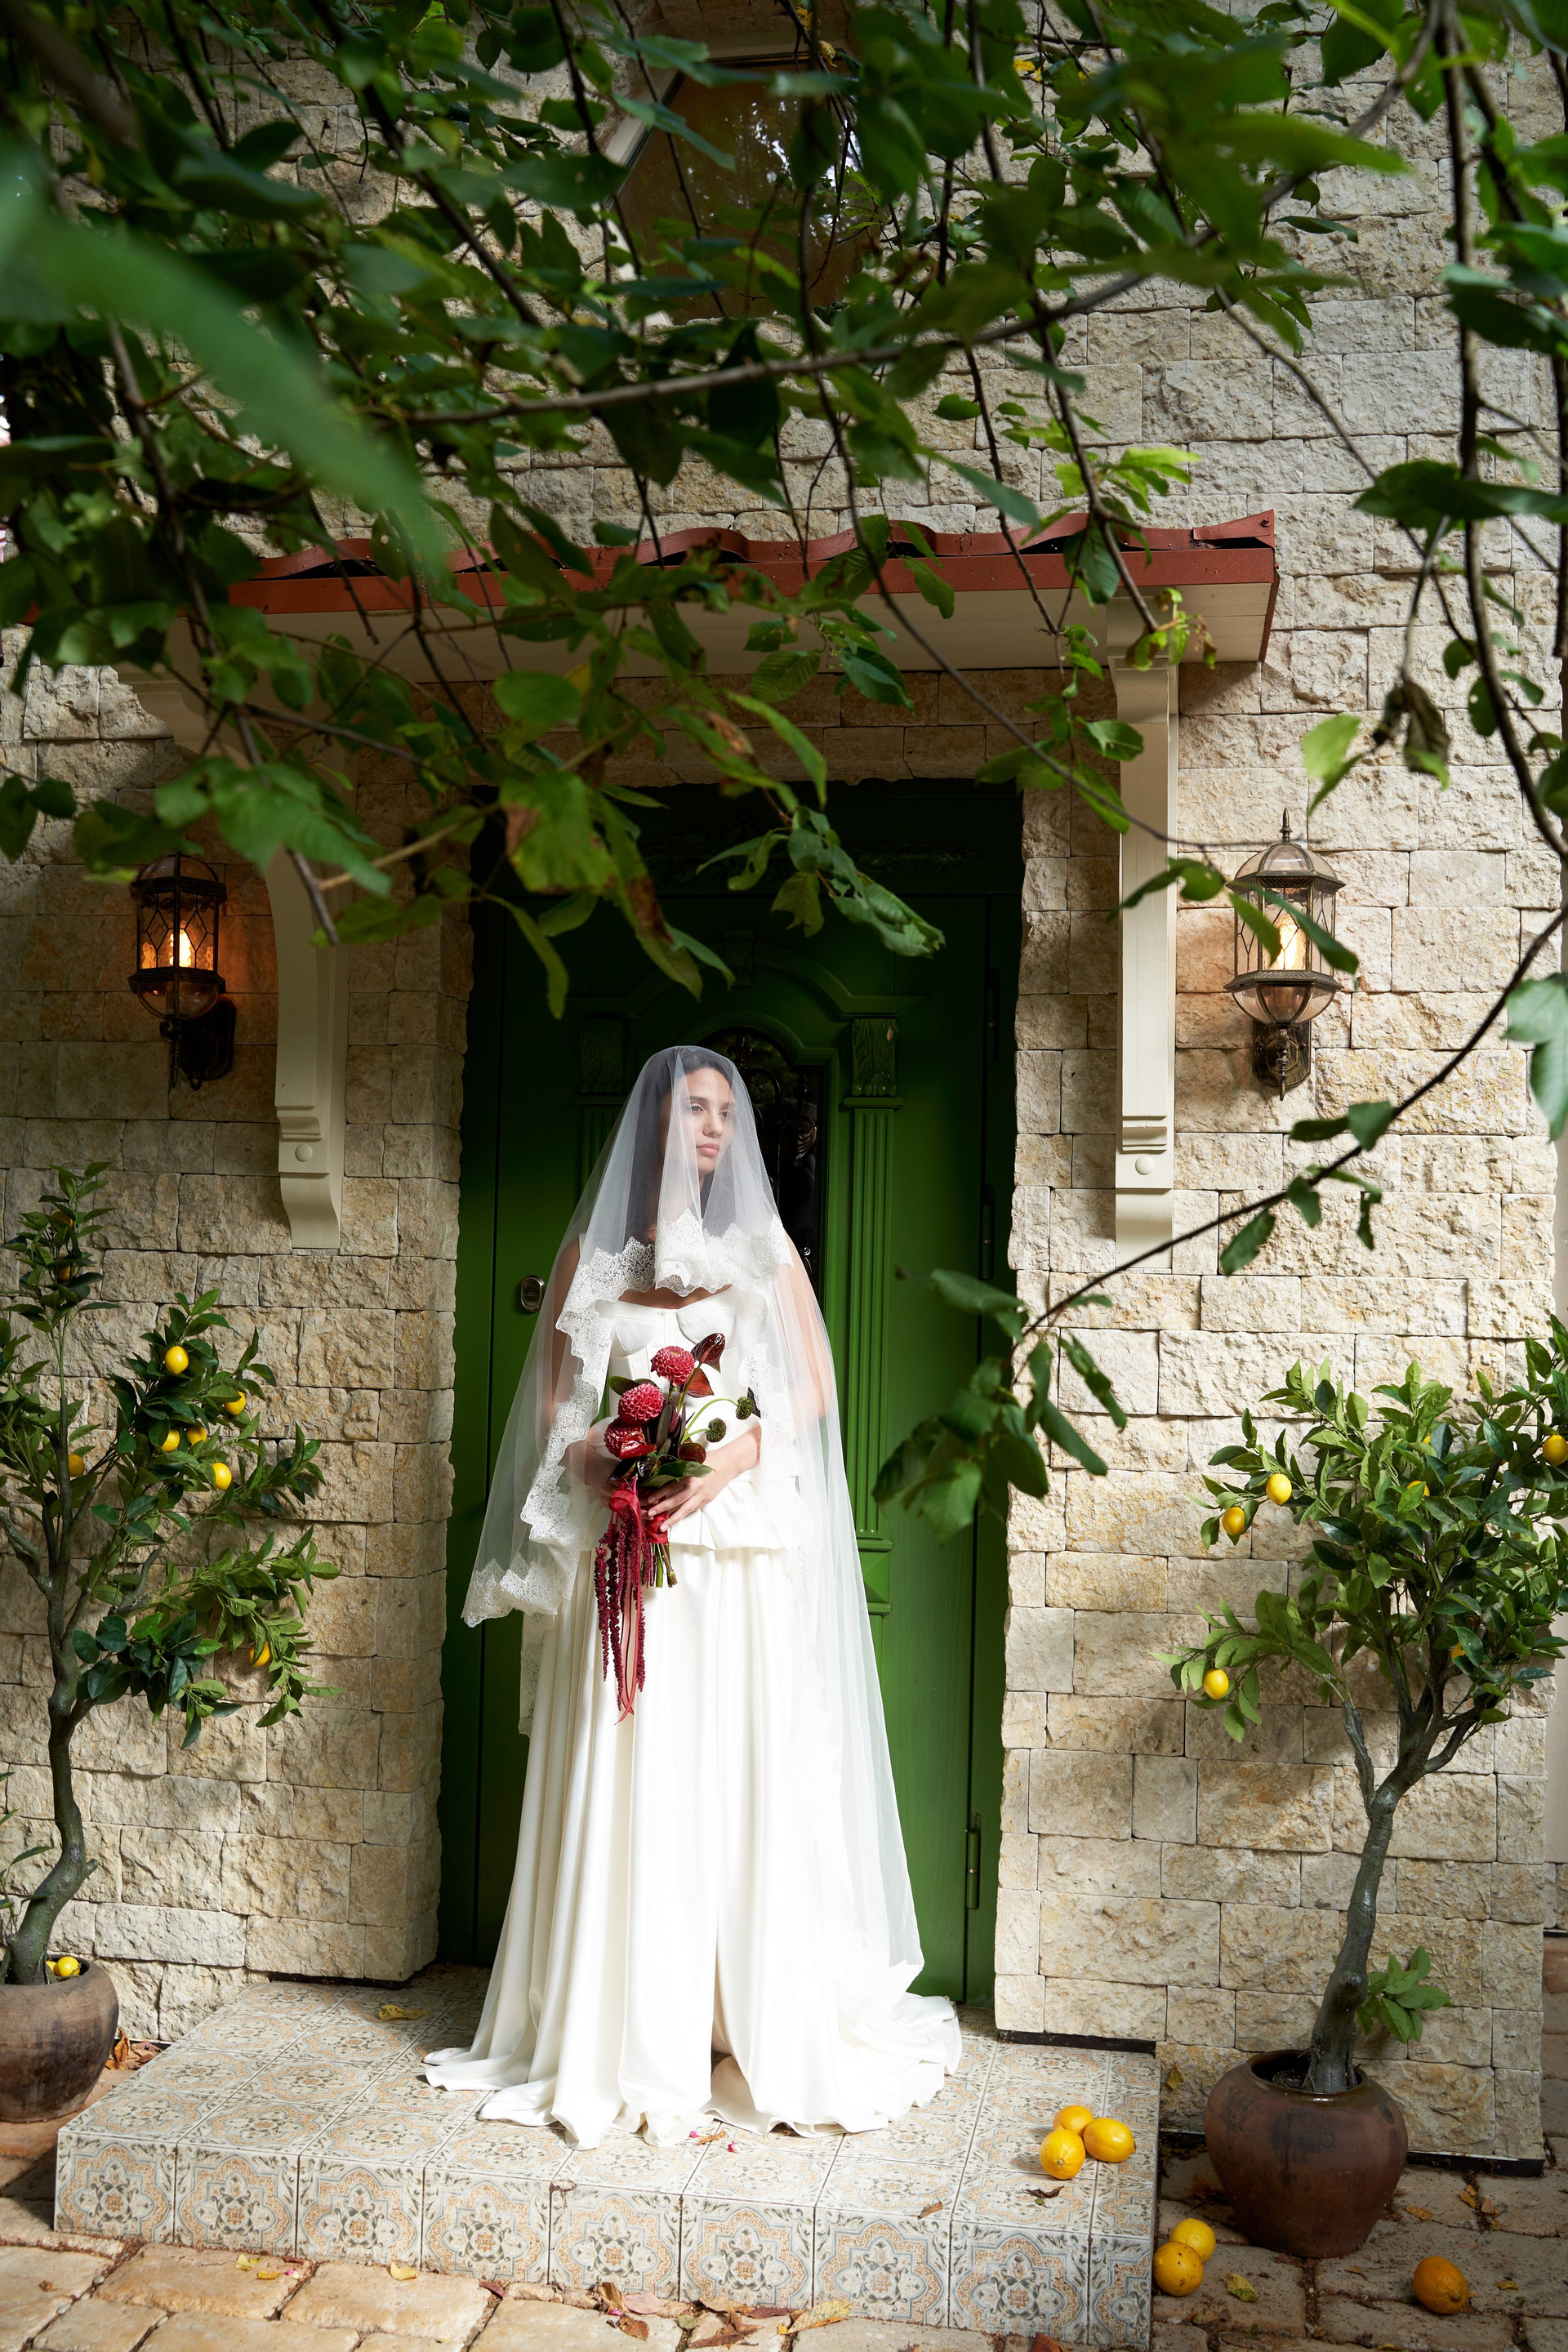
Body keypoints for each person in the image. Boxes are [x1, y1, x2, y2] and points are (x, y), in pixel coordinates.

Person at [424, 1045, 959, 2148]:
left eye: (726, 1112)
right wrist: (604, 1463)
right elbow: (554, 1410)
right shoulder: (589, 1262)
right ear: (654, 1123)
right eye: (693, 1108)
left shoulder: (765, 1256)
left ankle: (733, 2013)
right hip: (626, 1547)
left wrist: (724, 1460)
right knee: (629, 1761)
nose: (713, 1126)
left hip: (733, 1554)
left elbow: (811, 1390)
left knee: (729, 1766)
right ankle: (617, 2025)